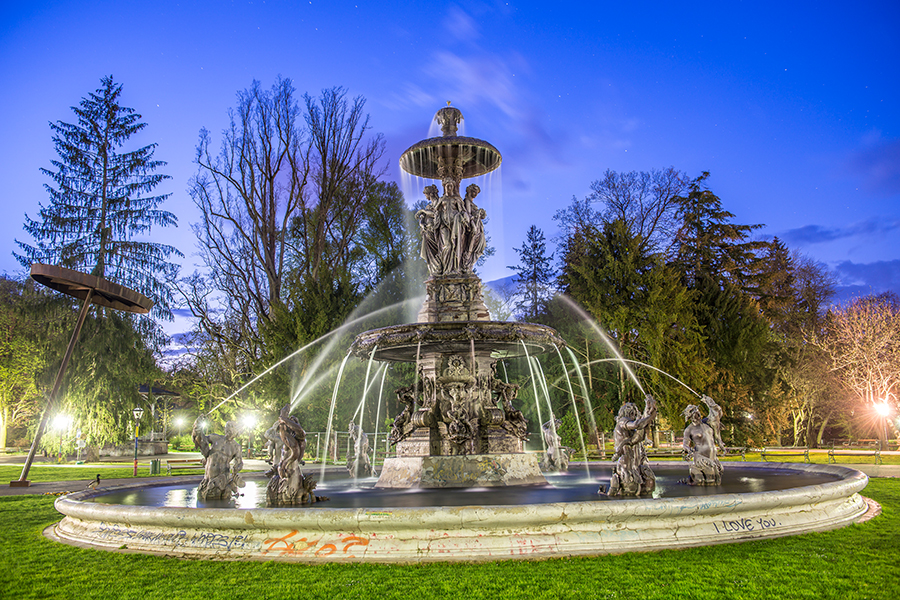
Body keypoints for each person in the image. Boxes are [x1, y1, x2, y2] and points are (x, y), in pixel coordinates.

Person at [604, 396, 657, 496]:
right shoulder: (623, 422)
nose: (636, 415)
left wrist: (648, 409)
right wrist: (650, 417)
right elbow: (638, 424)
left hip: (636, 465)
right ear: (629, 412)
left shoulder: (631, 430)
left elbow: (638, 437)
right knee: (629, 490)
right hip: (626, 466)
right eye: (634, 413)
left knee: (649, 486)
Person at [192, 416, 245, 500]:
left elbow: (239, 463)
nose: (227, 429)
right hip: (208, 478)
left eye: (231, 427)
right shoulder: (215, 438)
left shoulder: (236, 447)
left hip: (221, 481)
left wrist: (236, 474)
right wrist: (197, 428)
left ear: (237, 431)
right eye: (227, 426)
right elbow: (201, 441)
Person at [681, 398, 723, 485]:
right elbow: (685, 444)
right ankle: (694, 477)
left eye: (698, 412)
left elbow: (716, 414)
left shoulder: (707, 423)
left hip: (713, 457)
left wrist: (710, 402)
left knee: (717, 478)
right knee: (709, 480)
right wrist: (689, 450)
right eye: (695, 413)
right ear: (691, 416)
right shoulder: (689, 429)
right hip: (701, 458)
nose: (698, 414)